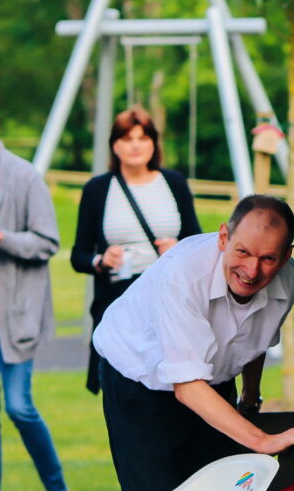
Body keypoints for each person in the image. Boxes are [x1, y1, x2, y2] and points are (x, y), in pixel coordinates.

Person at [93, 194, 294, 491]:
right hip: (138, 380)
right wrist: (261, 439)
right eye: (242, 252)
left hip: (214, 381)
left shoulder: (289, 280)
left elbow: (256, 339)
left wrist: (249, 397)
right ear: (223, 237)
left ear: (286, 256)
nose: (252, 270)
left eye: (268, 258)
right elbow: (187, 387)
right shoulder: (183, 273)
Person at [71, 106, 201, 394]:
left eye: (142, 138)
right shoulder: (97, 189)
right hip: (120, 299)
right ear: (114, 145)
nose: (135, 146)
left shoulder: (174, 184)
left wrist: (178, 249)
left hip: (169, 297)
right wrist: (101, 260)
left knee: (171, 381)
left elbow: (199, 243)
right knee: (124, 387)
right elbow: (78, 255)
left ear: (153, 143)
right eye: (127, 139)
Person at [0, 99, 74, 491]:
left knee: (19, 407)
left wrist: (1, 237)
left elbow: (47, 242)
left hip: (14, 314)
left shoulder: (23, 176)